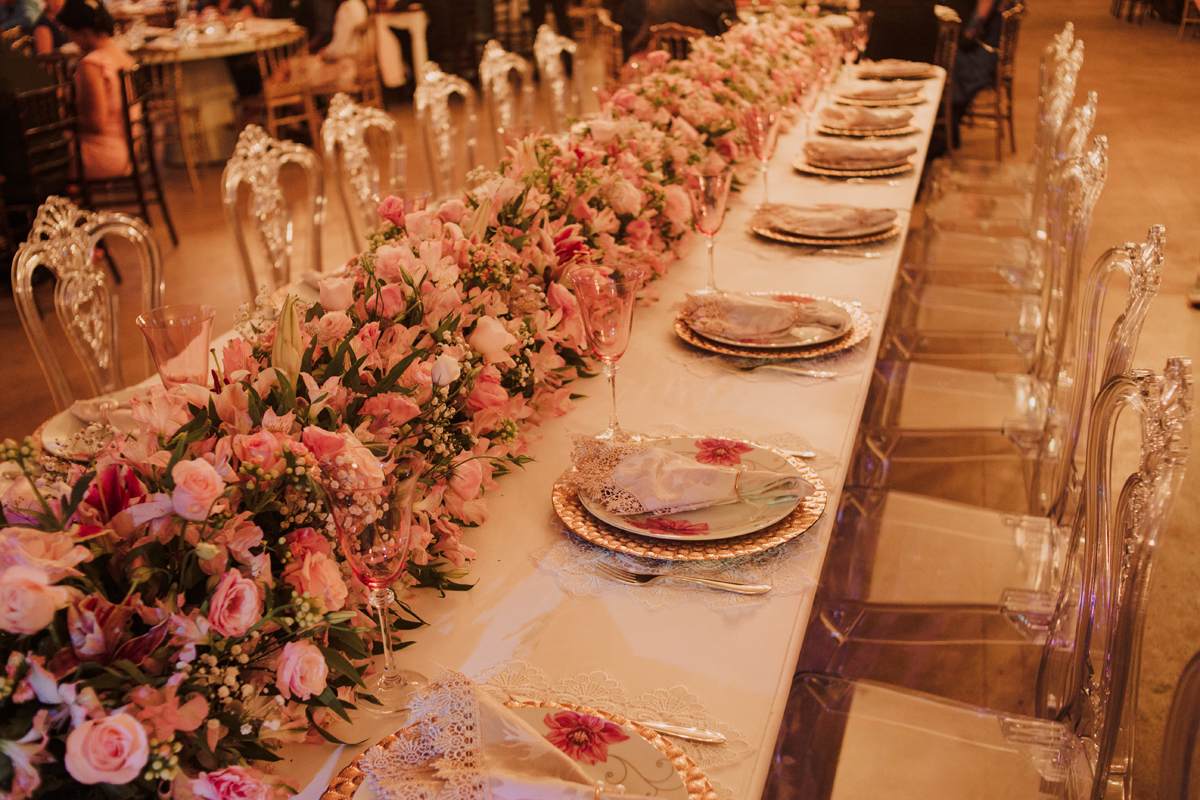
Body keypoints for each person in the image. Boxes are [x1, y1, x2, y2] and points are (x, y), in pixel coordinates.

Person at [56, 0, 137, 179]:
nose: (70, 38)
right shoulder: (122, 56)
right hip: (130, 148)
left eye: (69, 32)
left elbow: (95, 123)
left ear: (84, 32)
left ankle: (63, 196)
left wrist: (61, 120)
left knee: (37, 152)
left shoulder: (92, 64)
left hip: (105, 154)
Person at [949, 0, 1009, 147]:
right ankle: (950, 126)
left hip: (986, 57)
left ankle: (947, 129)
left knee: (950, 61)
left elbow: (975, 25)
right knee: (954, 58)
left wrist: (962, 37)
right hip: (996, 56)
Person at [626, 0, 736, 55]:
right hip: (705, 61)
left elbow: (639, 42)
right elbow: (733, 28)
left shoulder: (658, 4)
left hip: (662, 66)